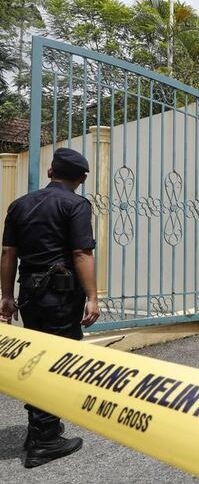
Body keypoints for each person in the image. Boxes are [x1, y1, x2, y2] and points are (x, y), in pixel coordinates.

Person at [0, 147, 99, 468]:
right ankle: (45, 440)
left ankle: (40, 428)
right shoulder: (77, 205)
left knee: (38, 355)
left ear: (49, 173)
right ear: (81, 178)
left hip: (29, 294)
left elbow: (8, 255)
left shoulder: (19, 205)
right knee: (57, 360)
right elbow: (82, 254)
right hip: (60, 296)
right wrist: (93, 296)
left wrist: (5, 296)